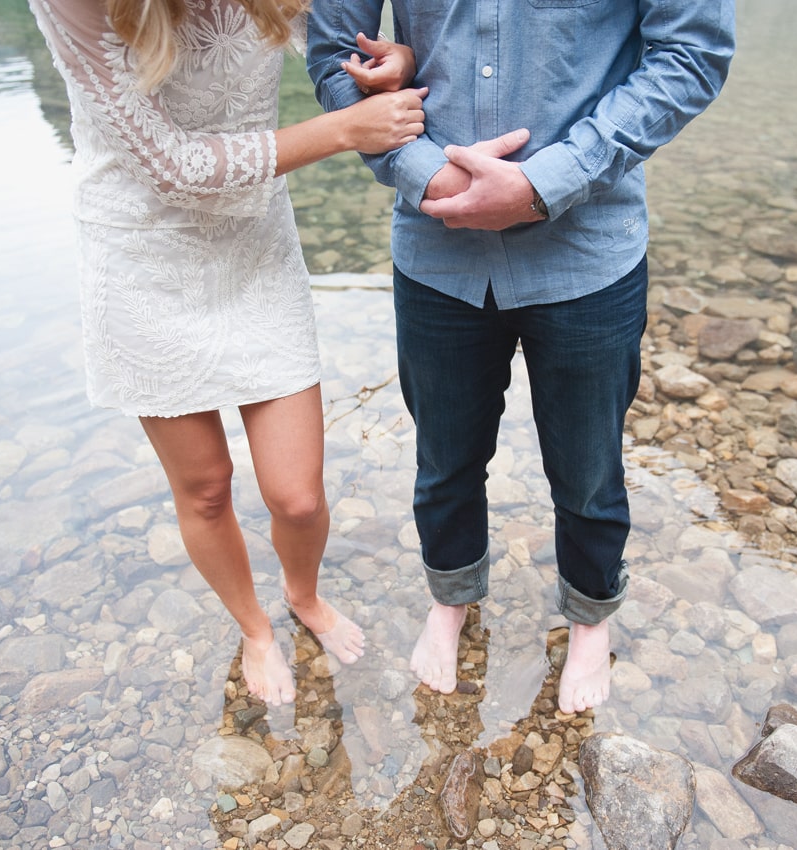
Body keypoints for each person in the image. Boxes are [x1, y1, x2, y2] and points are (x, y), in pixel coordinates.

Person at [308, 0, 734, 713]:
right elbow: (331, 55)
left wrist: (548, 182)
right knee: (443, 458)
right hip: (435, 250)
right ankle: (450, 599)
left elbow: (689, 54)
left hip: (587, 248)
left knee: (589, 468)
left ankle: (590, 618)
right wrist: (425, 174)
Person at [27, 0, 427, 705]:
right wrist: (341, 130)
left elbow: (327, 37)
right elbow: (170, 164)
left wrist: (388, 57)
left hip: (253, 244)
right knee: (206, 485)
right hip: (140, 252)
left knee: (297, 497)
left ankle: (303, 596)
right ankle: (255, 630)